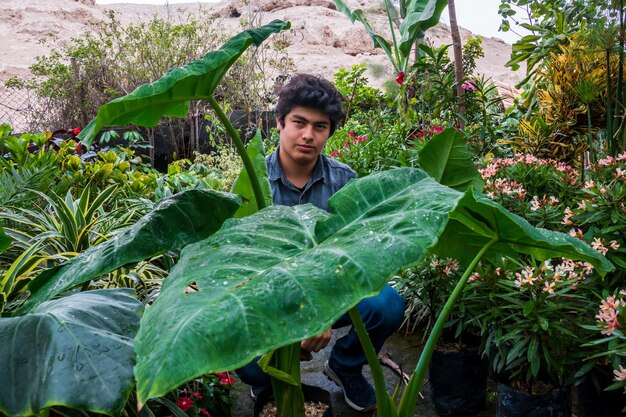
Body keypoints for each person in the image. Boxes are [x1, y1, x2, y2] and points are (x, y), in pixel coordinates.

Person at [237, 73, 405, 413]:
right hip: (272, 300)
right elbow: (243, 268)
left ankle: (344, 365)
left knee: (387, 304)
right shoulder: (253, 185)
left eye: (320, 126)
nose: (308, 135)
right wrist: (291, 323)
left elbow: (358, 257)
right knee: (248, 361)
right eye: (299, 122)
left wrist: (322, 313)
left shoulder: (344, 181)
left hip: (330, 291)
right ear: (280, 122)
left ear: (330, 131)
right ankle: (268, 382)